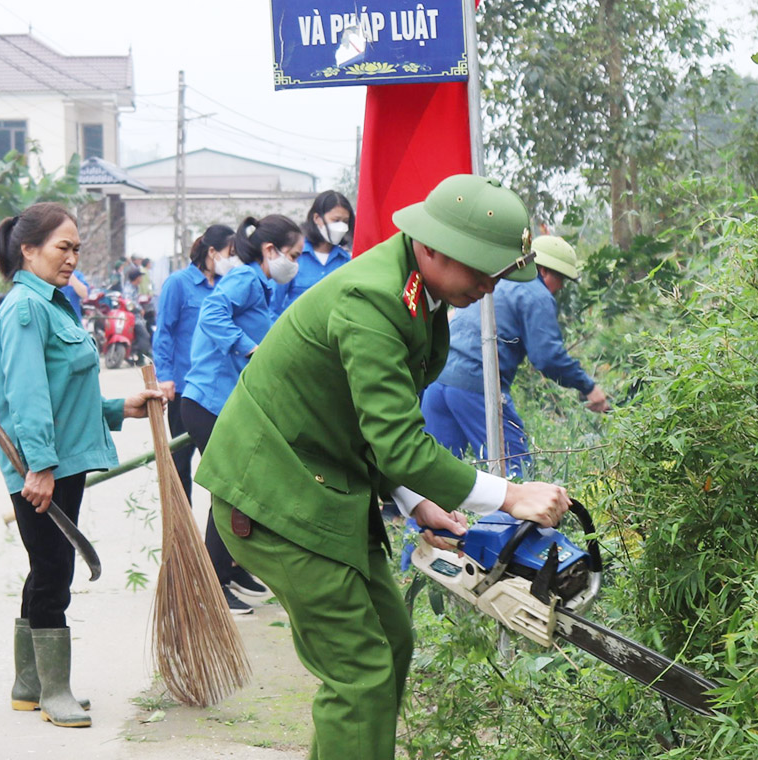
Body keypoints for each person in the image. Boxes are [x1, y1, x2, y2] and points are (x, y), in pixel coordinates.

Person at [195, 174, 572, 760]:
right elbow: (398, 442)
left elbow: (368, 424)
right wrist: (510, 495)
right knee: (361, 674)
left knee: (391, 641)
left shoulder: (419, 293)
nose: (491, 285)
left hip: (323, 483)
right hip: (275, 495)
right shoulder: (371, 300)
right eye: (483, 270)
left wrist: (413, 501)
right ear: (434, 248)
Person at [0, 202, 164, 728]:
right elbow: (28, 396)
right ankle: (54, 692)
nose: (71, 258)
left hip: (61, 463)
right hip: (42, 466)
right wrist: (38, 468)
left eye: (75, 249)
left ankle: (29, 684)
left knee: (45, 566)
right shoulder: (26, 307)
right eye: (62, 248)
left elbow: (67, 390)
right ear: (29, 249)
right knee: (54, 571)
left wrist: (119, 409)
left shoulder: (53, 304)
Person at [182, 215, 302, 614]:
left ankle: (229, 570)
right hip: (207, 402)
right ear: (270, 251)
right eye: (294, 255)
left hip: (223, 403)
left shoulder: (261, 286)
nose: (296, 263)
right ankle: (212, 585)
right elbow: (210, 313)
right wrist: (249, 348)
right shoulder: (247, 279)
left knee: (238, 492)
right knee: (231, 493)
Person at [423, 235, 609, 478]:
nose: (561, 287)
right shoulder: (536, 294)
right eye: (560, 279)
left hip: (438, 381)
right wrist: (588, 387)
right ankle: (508, 518)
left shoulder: (494, 280)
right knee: (515, 471)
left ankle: (422, 518)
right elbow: (548, 357)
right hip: (476, 385)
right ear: (542, 270)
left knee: (435, 473)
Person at [152, 225, 235, 503]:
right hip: (184, 388)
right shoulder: (179, 283)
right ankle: (183, 532)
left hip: (219, 388)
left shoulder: (228, 285)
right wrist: (164, 376)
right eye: (229, 253)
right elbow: (164, 331)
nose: (232, 260)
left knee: (222, 464)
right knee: (180, 459)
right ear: (212, 252)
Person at [270, 190, 354, 319]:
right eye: (336, 220)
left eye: (345, 221)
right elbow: (272, 306)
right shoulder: (293, 257)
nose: (341, 226)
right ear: (317, 218)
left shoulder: (346, 262)